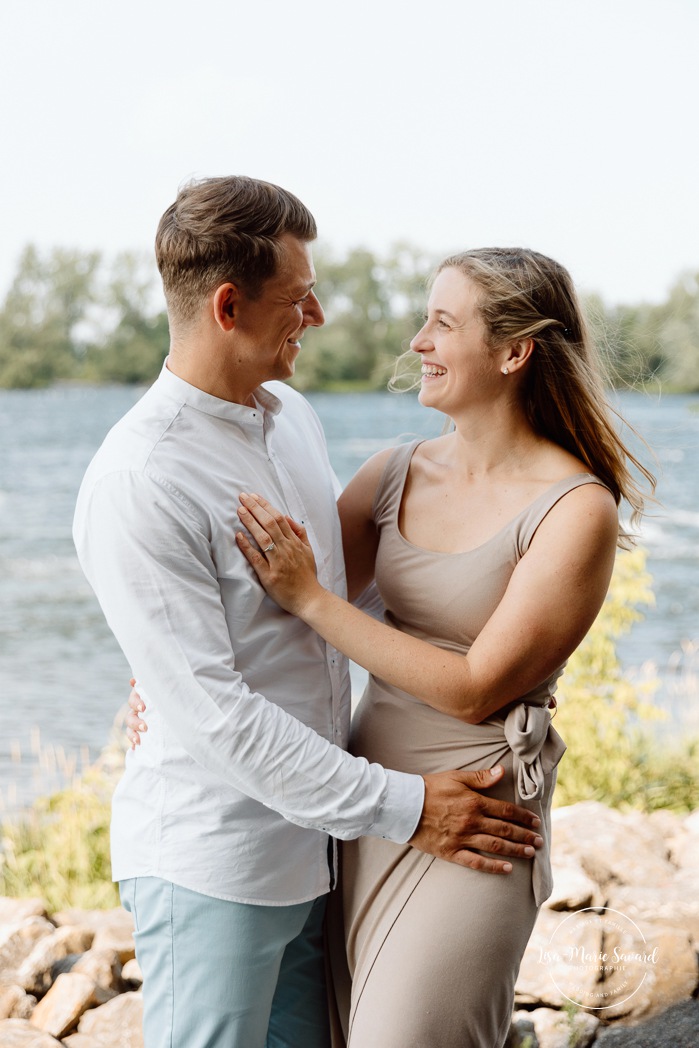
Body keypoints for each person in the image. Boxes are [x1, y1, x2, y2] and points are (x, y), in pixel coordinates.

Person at [74, 177, 544, 1048]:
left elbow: (340, 595)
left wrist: (502, 654)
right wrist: (408, 806)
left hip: (320, 852)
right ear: (227, 305)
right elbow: (217, 715)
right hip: (216, 863)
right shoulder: (141, 480)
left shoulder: (289, 417)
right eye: (296, 297)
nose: (318, 314)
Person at [197, 247, 653, 1046]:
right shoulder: (393, 473)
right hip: (370, 803)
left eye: (442, 323)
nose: (417, 341)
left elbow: (477, 686)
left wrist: (311, 597)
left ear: (513, 353)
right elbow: (261, 608)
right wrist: (165, 674)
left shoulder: (574, 509)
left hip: (477, 814)